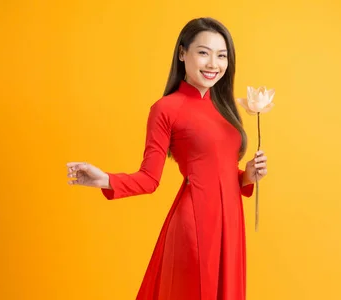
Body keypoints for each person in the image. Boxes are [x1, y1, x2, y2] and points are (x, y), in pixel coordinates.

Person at [67, 17, 268, 300]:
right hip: (196, 224)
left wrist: (247, 174)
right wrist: (104, 179)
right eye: (203, 52)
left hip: (231, 224)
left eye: (222, 55)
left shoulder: (225, 109)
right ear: (182, 53)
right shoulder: (165, 109)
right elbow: (149, 179)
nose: (213, 64)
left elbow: (223, 171)